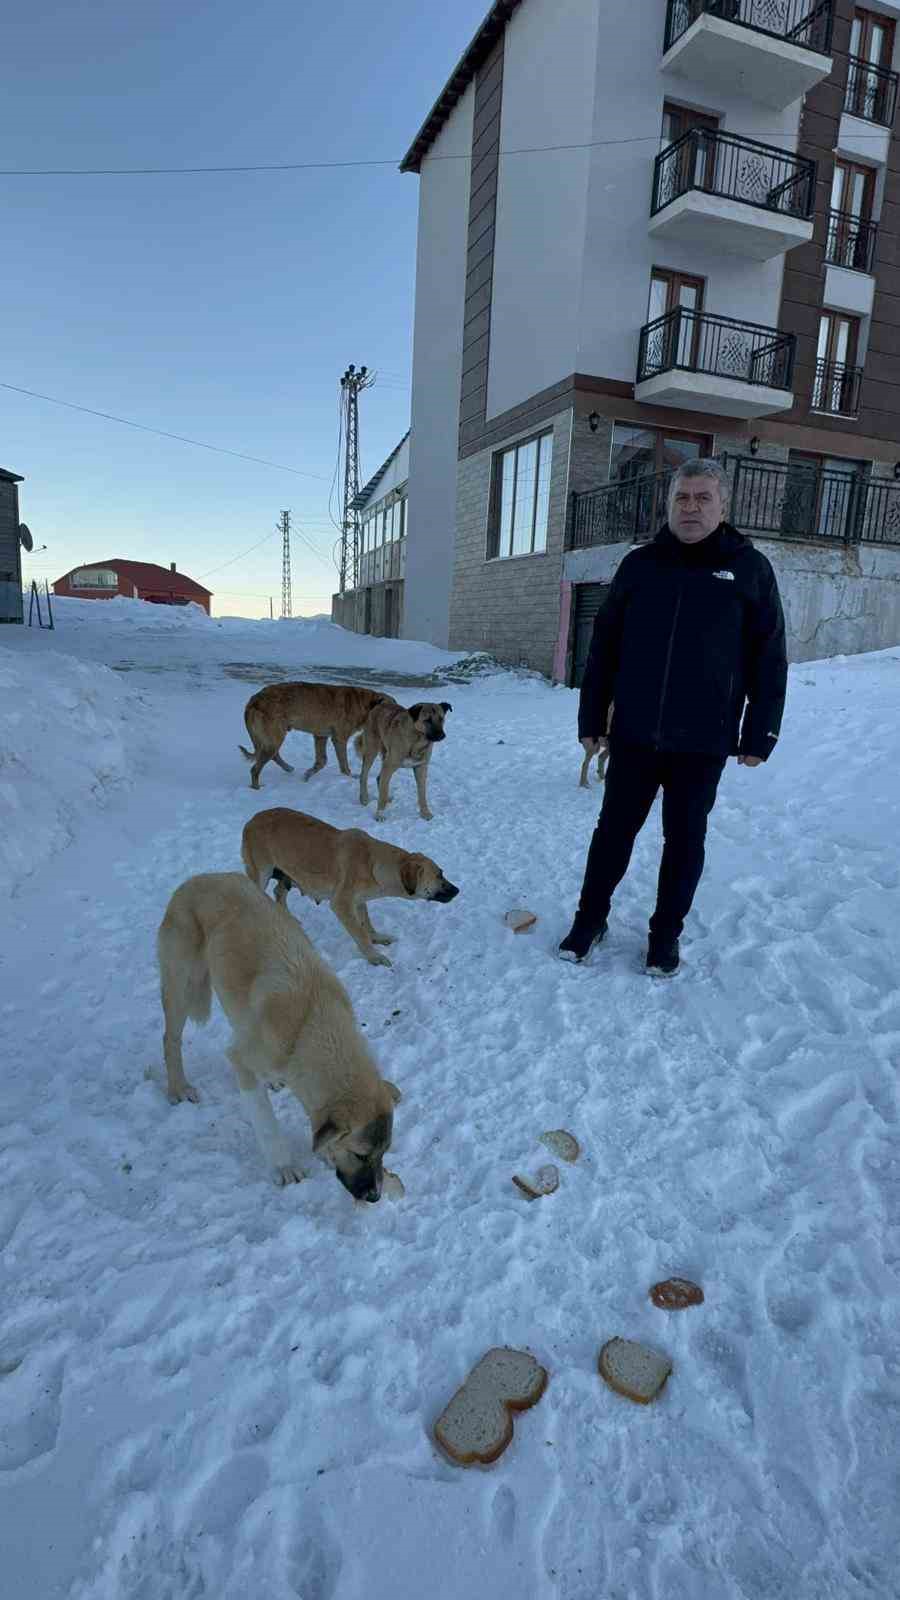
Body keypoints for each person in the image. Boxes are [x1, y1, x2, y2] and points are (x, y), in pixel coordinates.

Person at [560, 457, 787, 976]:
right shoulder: (640, 565)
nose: (691, 508)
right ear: (668, 505)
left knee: (684, 841)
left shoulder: (749, 568)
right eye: (682, 498)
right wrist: (591, 717)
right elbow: (605, 648)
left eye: (703, 498)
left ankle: (665, 935)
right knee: (612, 832)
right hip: (636, 733)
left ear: (722, 506)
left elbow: (769, 656)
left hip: (703, 740)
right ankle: (590, 919)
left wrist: (760, 731)